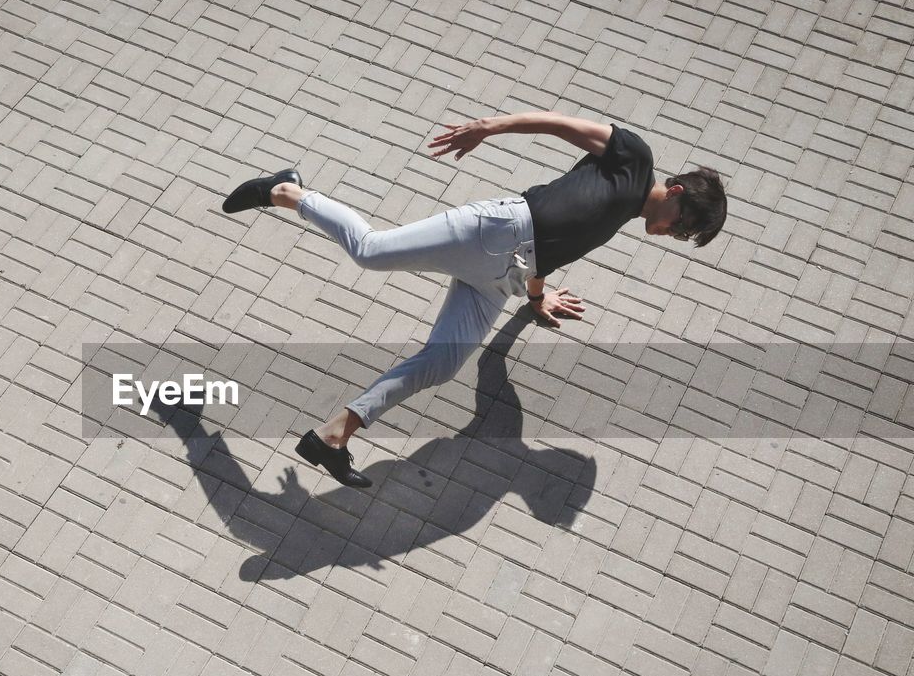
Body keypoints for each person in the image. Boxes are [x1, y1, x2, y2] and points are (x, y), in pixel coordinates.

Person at [221, 112, 727, 488]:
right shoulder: (633, 157)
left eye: (684, 236)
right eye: (683, 223)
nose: (674, 233)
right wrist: (490, 127)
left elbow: (550, 254)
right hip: (491, 231)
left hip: (501, 279)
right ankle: (286, 191)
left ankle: (333, 436)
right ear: (677, 188)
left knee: (442, 364)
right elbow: (558, 126)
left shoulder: (620, 220)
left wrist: (537, 297)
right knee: (370, 251)